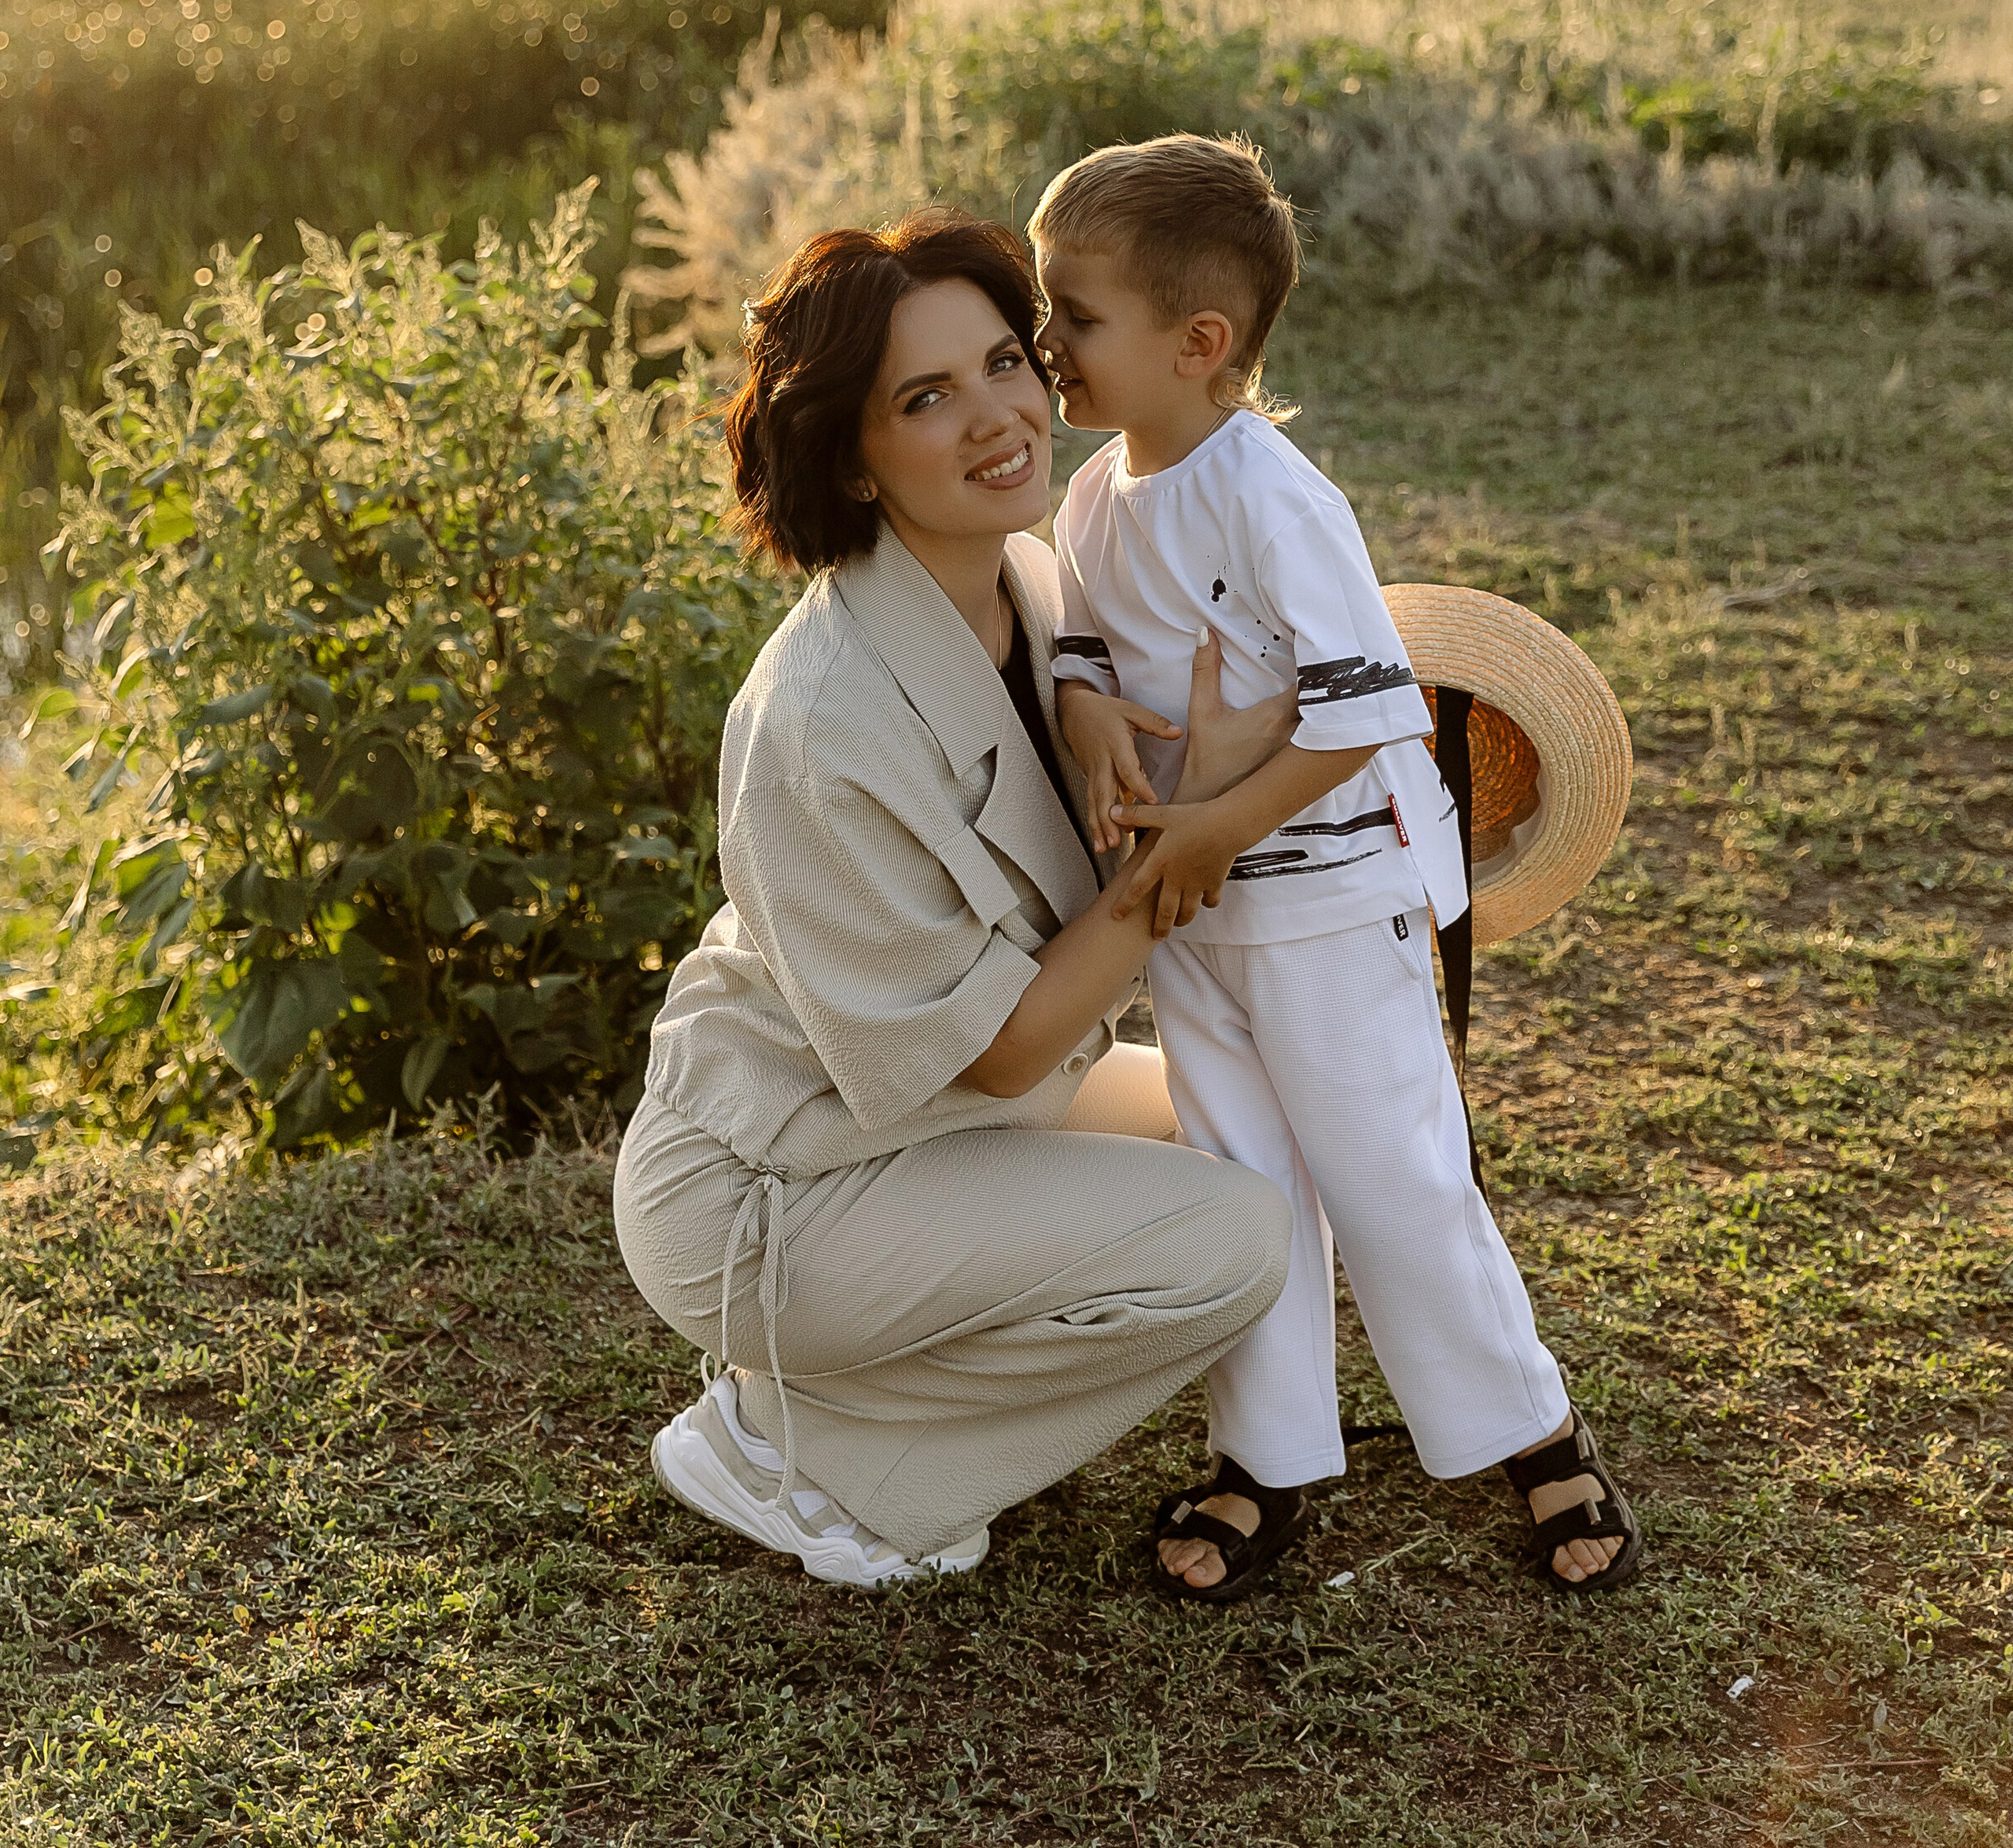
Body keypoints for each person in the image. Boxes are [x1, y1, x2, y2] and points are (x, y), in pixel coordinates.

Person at [613, 212, 1295, 1588]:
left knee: (1265, 1118)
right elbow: (1007, 1050)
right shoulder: (818, 718)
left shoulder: (1027, 580)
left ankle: (851, 1410)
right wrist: (1194, 837)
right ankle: (808, 1452)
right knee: (1235, 1239)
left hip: (928, 1117)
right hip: (777, 1188)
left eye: (1003, 362)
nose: (998, 417)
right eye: (926, 398)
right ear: (853, 462)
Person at [1032, 134, 1642, 1603]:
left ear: (1200, 344)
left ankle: (1532, 1428)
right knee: (1244, 1180)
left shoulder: (1272, 493)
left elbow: (1366, 706)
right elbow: (1081, 644)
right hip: (1190, 914)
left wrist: (1219, 824)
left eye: (1075, 315)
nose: (1043, 344)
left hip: (1322, 897)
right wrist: (1085, 705)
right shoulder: (1096, 497)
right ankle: (1274, 1456)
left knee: (1395, 1176)